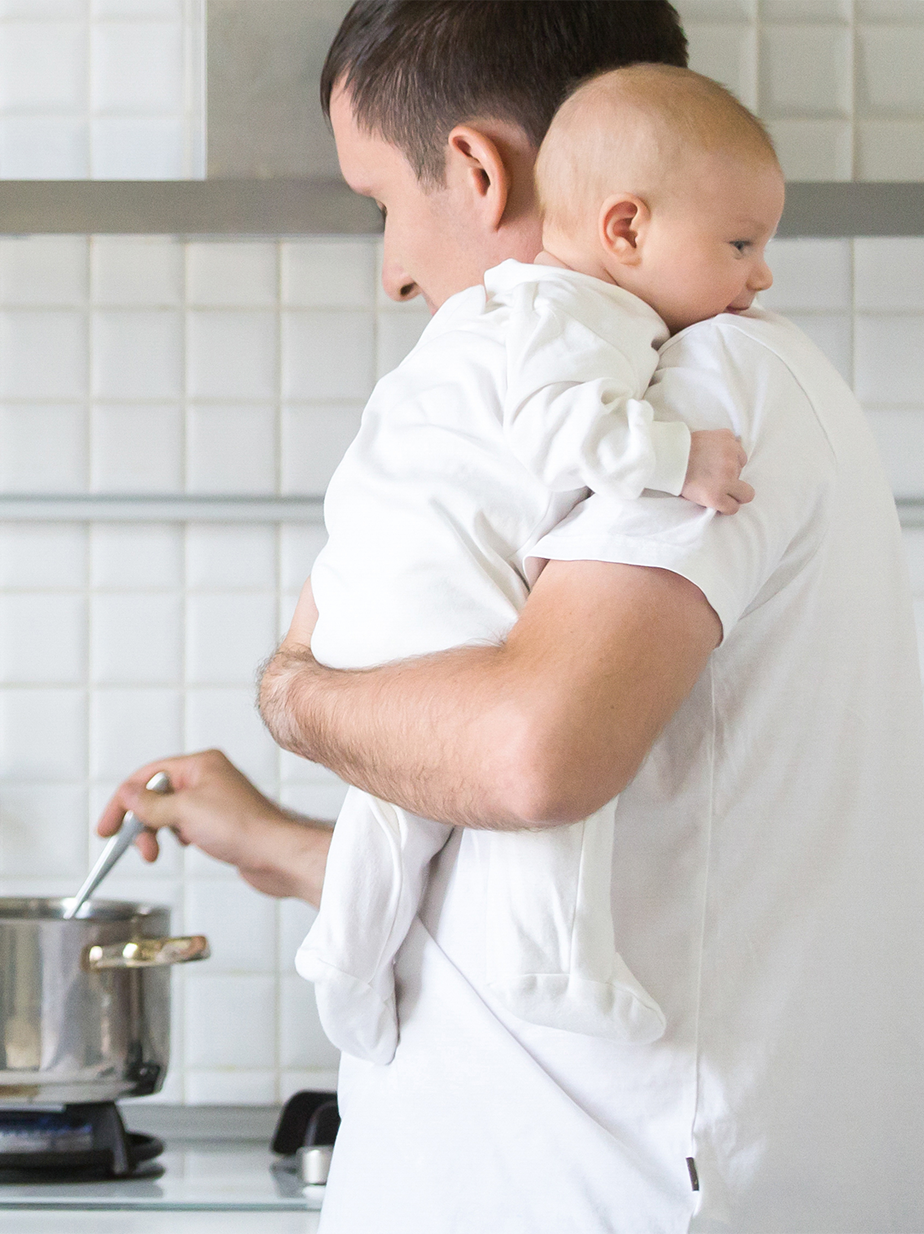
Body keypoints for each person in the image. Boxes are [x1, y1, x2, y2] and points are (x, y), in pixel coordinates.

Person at [96, 1, 924, 1229]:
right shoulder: (642, 381)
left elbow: (527, 759)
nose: (390, 265)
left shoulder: (700, 385)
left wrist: (294, 690)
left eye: (380, 201)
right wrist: (282, 844)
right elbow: (573, 868)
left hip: (618, 1194)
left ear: (479, 171)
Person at [297, 63, 779, 1070]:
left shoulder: (513, 308)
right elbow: (566, 437)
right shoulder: (581, 314)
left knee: (395, 806)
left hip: (368, 597)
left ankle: (342, 955)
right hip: (444, 597)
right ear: (624, 230)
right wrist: (675, 456)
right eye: (740, 244)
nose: (761, 275)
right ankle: (560, 961)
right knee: (553, 759)